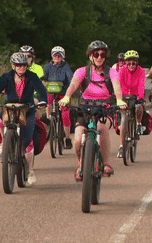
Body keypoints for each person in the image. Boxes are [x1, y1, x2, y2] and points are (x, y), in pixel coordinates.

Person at [58, 40, 126, 181]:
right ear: (90, 56)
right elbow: (74, 84)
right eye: (96, 54)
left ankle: (106, 163)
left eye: (102, 54)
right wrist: (66, 97)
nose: (99, 57)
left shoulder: (111, 72)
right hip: (85, 108)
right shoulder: (82, 71)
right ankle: (80, 163)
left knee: (102, 129)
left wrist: (119, 100)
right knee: (77, 139)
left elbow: (117, 86)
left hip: (105, 108)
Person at [0, 52, 48, 186]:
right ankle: (3, 143)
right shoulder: (6, 77)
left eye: (23, 65)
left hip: (27, 110)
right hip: (10, 108)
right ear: (13, 65)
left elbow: (41, 89)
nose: (21, 68)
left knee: (27, 140)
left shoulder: (32, 77)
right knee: (0, 120)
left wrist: (43, 101)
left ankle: (30, 172)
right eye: (18, 65)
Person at [0, 45, 45, 156]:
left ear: (32, 58)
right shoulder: (14, 70)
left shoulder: (37, 69)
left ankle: (30, 139)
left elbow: (41, 85)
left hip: (33, 97)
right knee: (2, 116)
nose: (26, 58)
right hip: (14, 100)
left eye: (28, 56)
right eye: (23, 56)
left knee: (33, 110)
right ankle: (4, 142)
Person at [42, 46, 74, 149]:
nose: (57, 57)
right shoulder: (47, 67)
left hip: (62, 92)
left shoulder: (66, 67)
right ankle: (49, 119)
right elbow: (42, 78)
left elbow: (71, 80)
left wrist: (69, 92)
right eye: (55, 55)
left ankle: (67, 138)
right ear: (52, 56)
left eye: (59, 55)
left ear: (62, 57)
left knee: (65, 114)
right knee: (48, 101)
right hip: (51, 92)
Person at [116, 50, 146, 158]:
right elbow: (119, 83)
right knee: (123, 120)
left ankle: (138, 124)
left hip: (135, 95)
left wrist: (141, 97)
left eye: (133, 63)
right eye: (128, 63)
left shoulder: (141, 71)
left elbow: (141, 84)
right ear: (125, 63)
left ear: (137, 63)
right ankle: (121, 146)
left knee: (139, 107)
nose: (131, 65)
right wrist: (118, 97)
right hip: (124, 95)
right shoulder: (122, 70)